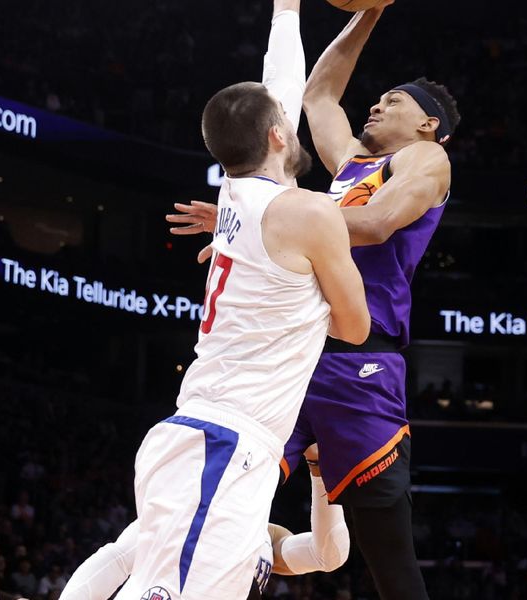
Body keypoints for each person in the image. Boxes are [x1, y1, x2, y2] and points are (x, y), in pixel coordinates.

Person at [169, 2, 460, 598]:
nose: (376, 104)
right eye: (378, 97)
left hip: (361, 359)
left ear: (429, 124)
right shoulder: (352, 164)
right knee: (221, 504)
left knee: (387, 549)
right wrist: (372, 12)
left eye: (395, 101)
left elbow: (377, 224)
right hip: (295, 353)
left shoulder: (426, 160)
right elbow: (319, 96)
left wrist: (262, 217)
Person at [113, 0, 371, 594]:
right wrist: (310, 296)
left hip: (217, 439)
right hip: (224, 444)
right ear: (280, 132)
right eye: (285, 115)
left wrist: (286, 9)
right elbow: (356, 328)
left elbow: (278, 83)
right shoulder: (304, 211)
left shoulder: (234, 191)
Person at [60, 445, 349, 600]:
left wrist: (320, 470)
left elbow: (328, 554)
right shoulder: (186, 509)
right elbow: (117, 558)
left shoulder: (264, 535)